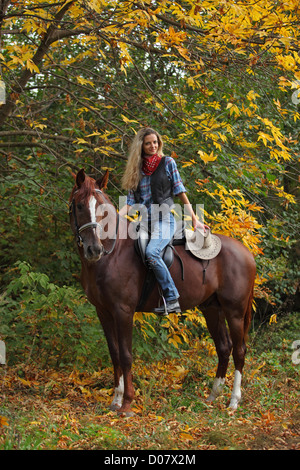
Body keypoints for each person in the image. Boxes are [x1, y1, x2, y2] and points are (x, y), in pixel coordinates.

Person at [120, 127, 208, 314]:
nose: (153, 146)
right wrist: (113, 217)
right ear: (141, 147)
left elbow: (180, 191)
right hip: (143, 222)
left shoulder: (167, 163)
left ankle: (172, 297)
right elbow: (129, 204)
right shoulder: (135, 171)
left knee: (152, 252)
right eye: (148, 143)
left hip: (165, 220)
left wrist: (194, 219)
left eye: (155, 142)